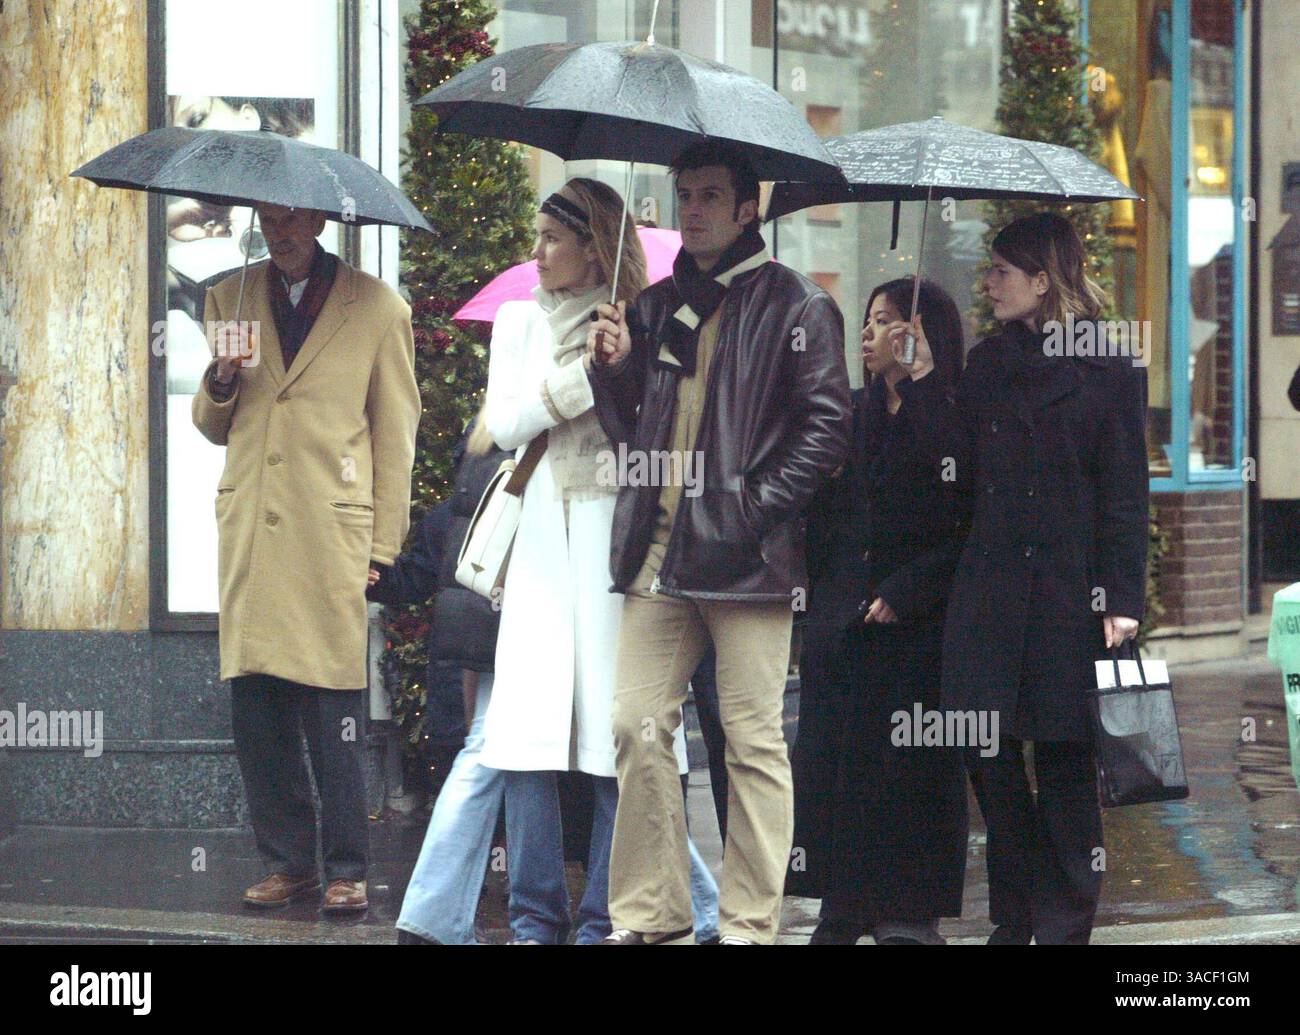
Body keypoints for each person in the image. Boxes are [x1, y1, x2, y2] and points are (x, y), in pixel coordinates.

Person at [587, 141, 852, 944]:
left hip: (747, 565)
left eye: (709, 196)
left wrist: (750, 511)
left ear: (749, 209)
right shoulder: (654, 305)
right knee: (635, 726)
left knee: (752, 740)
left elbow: (829, 427)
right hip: (658, 556)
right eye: (684, 193)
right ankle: (653, 913)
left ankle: (746, 925)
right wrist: (615, 369)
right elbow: (632, 427)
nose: (692, 209)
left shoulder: (799, 306)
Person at [895, 212, 1149, 944]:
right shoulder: (986, 363)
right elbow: (957, 471)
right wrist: (920, 382)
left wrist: (1123, 598)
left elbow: (1125, 492)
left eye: (1002, 271)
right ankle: (1016, 917)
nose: (989, 282)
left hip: (1073, 600)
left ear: (1042, 281)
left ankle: (1064, 923)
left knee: (1067, 771)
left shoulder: (1108, 366)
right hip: (991, 595)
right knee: (992, 763)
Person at [479, 178, 712, 945]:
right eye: (538, 236)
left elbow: (655, 436)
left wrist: (618, 365)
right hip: (544, 537)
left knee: (619, 731)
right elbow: (506, 422)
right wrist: (577, 381)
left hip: (616, 534)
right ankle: (535, 915)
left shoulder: (641, 322)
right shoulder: (518, 321)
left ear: (594, 246)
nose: (538, 252)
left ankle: (604, 915)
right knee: (526, 734)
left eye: (553, 238)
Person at [192, 203, 421, 915]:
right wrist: (222, 379)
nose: (281, 230)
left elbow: (396, 435)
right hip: (256, 530)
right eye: (270, 217)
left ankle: (348, 864)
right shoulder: (226, 296)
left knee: (334, 711)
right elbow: (211, 425)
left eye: (294, 218)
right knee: (256, 706)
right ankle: (288, 861)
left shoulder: (379, 309)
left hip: (331, 532)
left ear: (322, 221)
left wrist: (383, 545)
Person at [790, 278, 969, 945]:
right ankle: (846, 897)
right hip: (844, 619)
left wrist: (910, 588)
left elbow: (964, 517)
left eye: (885, 320)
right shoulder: (852, 410)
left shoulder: (949, 408)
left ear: (919, 332)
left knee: (909, 769)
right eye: (866, 319)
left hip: (917, 625)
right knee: (838, 766)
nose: (867, 332)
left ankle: (909, 907)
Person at [366, 411, 511, 944]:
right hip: (486, 670)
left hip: (456, 677)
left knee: (467, 777)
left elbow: (414, 577)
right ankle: (494, 901)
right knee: (503, 781)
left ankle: (454, 911)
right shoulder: (511, 507)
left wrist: (376, 578)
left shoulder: (449, 515)